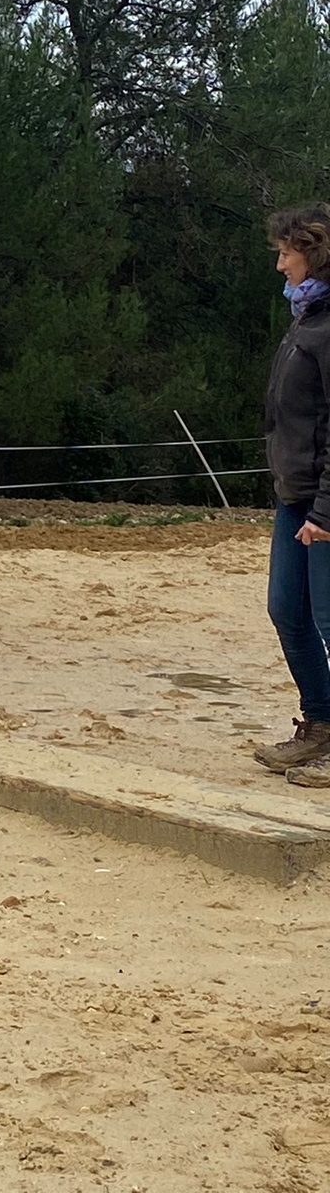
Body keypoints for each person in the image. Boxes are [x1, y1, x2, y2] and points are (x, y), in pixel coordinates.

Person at [254, 202, 330, 784]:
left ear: (316, 253)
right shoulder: (305, 321)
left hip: (323, 502)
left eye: (287, 252)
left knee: (328, 619)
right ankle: (322, 722)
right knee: (288, 611)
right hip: (295, 494)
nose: (280, 264)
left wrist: (326, 510)